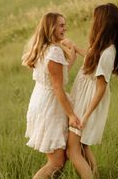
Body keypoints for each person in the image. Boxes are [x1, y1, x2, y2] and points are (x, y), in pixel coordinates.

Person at [67, 3, 118, 179]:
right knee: (83, 147)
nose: (92, 23)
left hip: (88, 102)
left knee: (72, 150)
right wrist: (74, 47)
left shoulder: (108, 52)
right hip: (83, 97)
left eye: (95, 19)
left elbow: (101, 88)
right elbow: (92, 59)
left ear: (102, 23)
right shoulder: (102, 46)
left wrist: (85, 116)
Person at [22, 12, 80, 179]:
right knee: (56, 162)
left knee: (60, 160)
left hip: (41, 100)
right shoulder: (54, 51)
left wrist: (71, 60)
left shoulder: (44, 48)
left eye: (65, 24)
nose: (65, 28)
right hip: (49, 106)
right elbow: (57, 87)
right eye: (61, 25)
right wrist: (71, 115)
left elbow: (55, 77)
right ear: (51, 27)